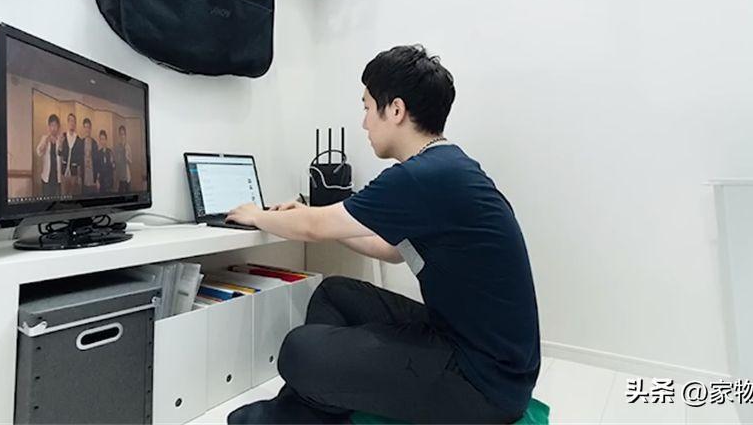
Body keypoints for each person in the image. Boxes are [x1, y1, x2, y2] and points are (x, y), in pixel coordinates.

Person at [226, 45, 540, 425]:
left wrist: (256, 215)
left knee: (297, 350)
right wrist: (317, 218)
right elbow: (390, 249)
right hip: (480, 354)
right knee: (335, 292)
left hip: (482, 383)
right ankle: (310, 409)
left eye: (366, 107)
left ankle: (300, 412)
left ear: (395, 110)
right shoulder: (447, 166)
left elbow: (313, 228)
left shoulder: (422, 176)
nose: (364, 123)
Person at [35, 114, 62, 197]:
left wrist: (61, 145)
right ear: (49, 126)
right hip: (47, 177)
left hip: (57, 177)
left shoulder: (60, 139)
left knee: (56, 201)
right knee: (46, 200)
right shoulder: (44, 138)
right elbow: (39, 152)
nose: (53, 128)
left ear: (58, 127)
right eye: (52, 125)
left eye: (55, 125)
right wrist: (45, 143)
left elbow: (61, 155)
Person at [58, 112, 83, 196]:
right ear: (68, 122)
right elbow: (59, 153)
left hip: (74, 173)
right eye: (70, 121)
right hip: (64, 172)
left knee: (72, 195)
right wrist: (60, 145)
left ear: (75, 124)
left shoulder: (79, 140)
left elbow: (80, 160)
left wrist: (79, 176)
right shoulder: (63, 136)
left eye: (74, 121)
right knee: (63, 195)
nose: (72, 123)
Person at [79, 118, 100, 194]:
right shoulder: (81, 142)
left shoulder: (94, 143)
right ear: (83, 128)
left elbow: (97, 162)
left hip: (92, 176)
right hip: (84, 176)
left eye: (88, 127)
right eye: (85, 127)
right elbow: (79, 161)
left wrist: (97, 179)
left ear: (90, 129)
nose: (87, 129)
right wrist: (79, 176)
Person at [113, 124, 132, 193]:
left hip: (127, 177)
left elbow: (131, 162)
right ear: (119, 135)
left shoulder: (128, 146)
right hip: (120, 178)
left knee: (128, 196)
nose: (122, 136)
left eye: (123, 134)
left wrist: (127, 158)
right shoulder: (117, 147)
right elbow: (116, 162)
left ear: (125, 135)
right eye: (121, 134)